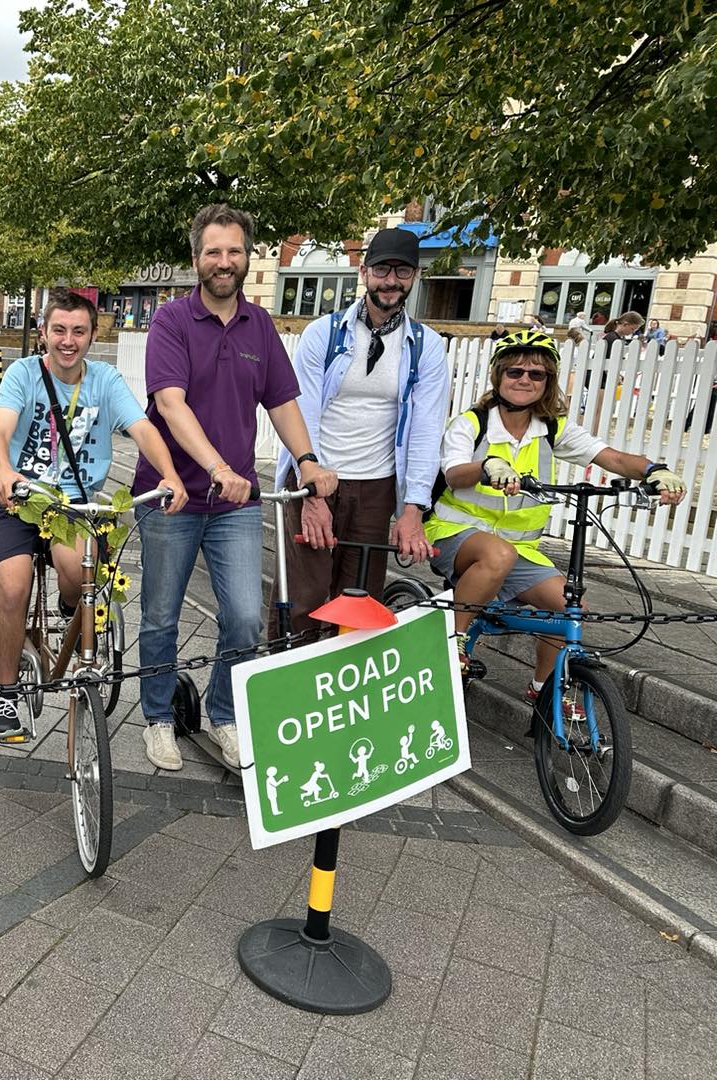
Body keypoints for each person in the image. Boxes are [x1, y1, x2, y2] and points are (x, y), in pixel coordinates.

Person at [134, 203, 336, 774]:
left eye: (234, 251)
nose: (225, 262)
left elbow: (281, 402)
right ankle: (157, 718)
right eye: (213, 251)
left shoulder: (260, 326)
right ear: (196, 257)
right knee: (160, 616)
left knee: (247, 617)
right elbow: (169, 404)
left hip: (236, 504)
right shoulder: (171, 321)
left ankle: (224, 714)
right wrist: (219, 466)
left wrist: (308, 460)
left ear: (248, 256)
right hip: (170, 497)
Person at [425, 330, 685, 699]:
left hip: (519, 550)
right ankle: (455, 640)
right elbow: (453, 473)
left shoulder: (549, 429)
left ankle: (543, 687)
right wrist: (487, 466)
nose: (525, 380)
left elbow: (611, 457)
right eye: (515, 372)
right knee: (497, 554)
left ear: (548, 383)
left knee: (568, 608)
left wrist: (654, 470)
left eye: (537, 374)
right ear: (498, 376)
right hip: (455, 533)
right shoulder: (472, 423)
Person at [0, 290, 187, 741]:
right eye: (59, 330)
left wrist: (170, 474)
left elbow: (144, 429)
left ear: (94, 335)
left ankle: (68, 604)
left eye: (78, 331)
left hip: (74, 504)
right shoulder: (23, 374)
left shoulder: (106, 382)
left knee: (79, 576)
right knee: (13, 585)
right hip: (19, 498)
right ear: (44, 333)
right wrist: (3, 471)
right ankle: (5, 691)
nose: (68, 340)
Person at [272, 227, 450, 639]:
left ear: (414, 277)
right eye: (383, 270)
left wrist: (413, 509)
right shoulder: (324, 334)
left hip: (376, 487)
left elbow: (426, 428)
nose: (391, 281)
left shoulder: (426, 347)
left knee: (359, 606)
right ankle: (287, 694)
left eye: (402, 272)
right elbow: (302, 413)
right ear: (365, 272)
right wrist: (312, 491)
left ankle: (343, 697)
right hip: (316, 478)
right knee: (304, 599)